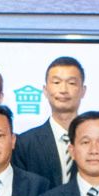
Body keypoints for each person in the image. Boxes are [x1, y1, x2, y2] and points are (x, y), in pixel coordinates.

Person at [16, 56, 87, 187]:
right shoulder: (25, 143)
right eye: (56, 82)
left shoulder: (97, 141)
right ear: (45, 90)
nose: (63, 90)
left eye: (71, 83)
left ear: (83, 91)